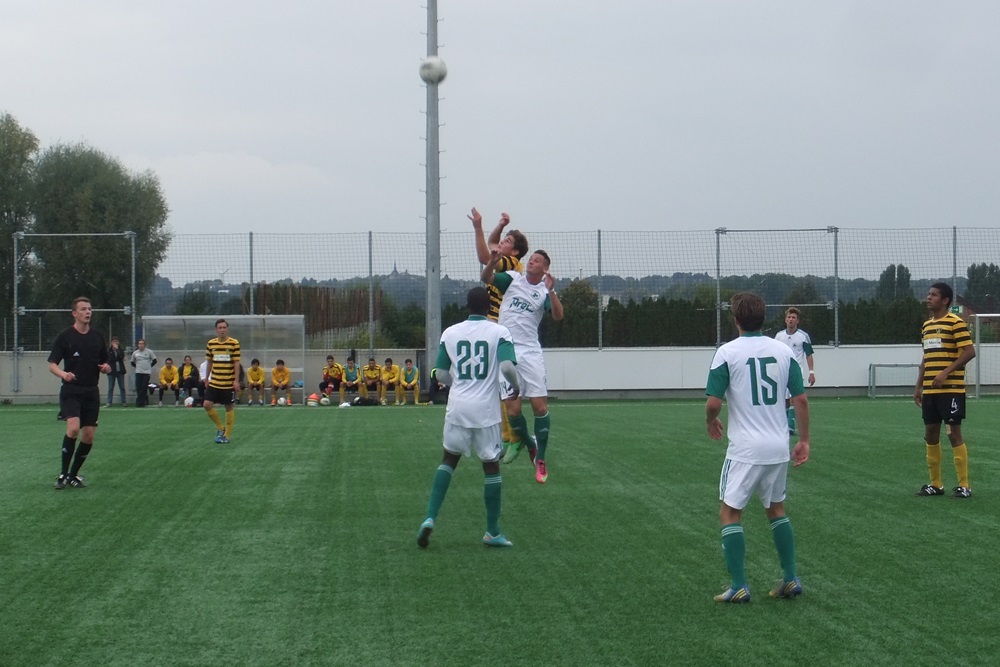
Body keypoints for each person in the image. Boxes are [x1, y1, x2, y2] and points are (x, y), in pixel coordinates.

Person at [705, 292, 810, 603]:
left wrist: (710, 420)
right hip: (778, 446)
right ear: (764, 319)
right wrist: (804, 440)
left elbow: (713, 403)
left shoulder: (727, 352)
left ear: (736, 319)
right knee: (776, 509)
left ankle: (738, 585)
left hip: (745, 450)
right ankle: (790, 579)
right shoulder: (783, 351)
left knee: (730, 512)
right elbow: (801, 400)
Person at [416, 287, 521, 549]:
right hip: (486, 411)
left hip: (458, 407)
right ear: (489, 308)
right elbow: (507, 366)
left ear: (466, 307)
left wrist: (460, 384)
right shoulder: (499, 332)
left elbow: (440, 373)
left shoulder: (450, 332)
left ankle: (429, 517)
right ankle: (492, 532)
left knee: (448, 460)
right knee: (491, 466)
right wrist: (516, 386)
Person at [481, 247, 564, 483]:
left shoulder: (544, 291)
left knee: (539, 407)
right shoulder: (512, 279)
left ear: (545, 268)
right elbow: (486, 278)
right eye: (531, 259)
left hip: (530, 352)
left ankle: (541, 459)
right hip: (507, 349)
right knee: (513, 411)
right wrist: (492, 261)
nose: (531, 262)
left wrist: (552, 290)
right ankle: (529, 443)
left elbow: (558, 316)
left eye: (537, 260)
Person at [470, 207, 529, 447]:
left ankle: (513, 436)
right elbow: (492, 243)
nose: (501, 242)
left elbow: (486, 257)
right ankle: (506, 435)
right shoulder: (506, 259)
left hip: (498, 324)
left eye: (507, 241)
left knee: (502, 384)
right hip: (494, 324)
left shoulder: (510, 263)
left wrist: (477, 227)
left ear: (515, 252)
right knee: (497, 383)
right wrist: (501, 226)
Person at [913, 282, 976, 499]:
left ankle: (964, 485)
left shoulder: (955, 323)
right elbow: (926, 358)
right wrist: (918, 387)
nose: (928, 298)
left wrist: (945, 372)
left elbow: (969, 351)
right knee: (930, 433)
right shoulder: (926, 326)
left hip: (951, 390)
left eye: (933, 295)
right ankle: (936, 484)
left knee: (953, 433)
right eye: (928, 294)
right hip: (931, 392)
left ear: (945, 300)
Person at [47, 297, 111, 489]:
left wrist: (106, 367)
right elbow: (52, 365)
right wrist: (63, 374)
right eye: (83, 309)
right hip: (71, 391)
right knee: (74, 428)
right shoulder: (65, 336)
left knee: (88, 436)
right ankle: (62, 475)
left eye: (89, 309)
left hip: (91, 392)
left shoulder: (97, 336)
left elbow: (105, 362)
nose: (87, 312)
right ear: (74, 313)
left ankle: (73, 475)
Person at [774, 307, 815, 435]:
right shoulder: (779, 336)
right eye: (789, 317)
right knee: (784, 399)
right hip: (782, 371)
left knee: (793, 398)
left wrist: (811, 372)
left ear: (797, 321)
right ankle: (785, 425)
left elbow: (808, 354)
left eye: (793, 318)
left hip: (796, 371)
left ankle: (790, 426)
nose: (791, 319)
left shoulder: (803, 336)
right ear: (785, 320)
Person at [203, 318, 241, 443]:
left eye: (224, 327)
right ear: (216, 330)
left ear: (227, 329)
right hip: (215, 382)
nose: (222, 330)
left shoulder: (234, 343)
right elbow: (209, 362)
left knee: (229, 407)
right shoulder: (211, 344)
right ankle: (220, 428)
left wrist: (236, 380)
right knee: (207, 404)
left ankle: (227, 436)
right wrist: (207, 378)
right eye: (220, 328)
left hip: (228, 382)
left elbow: (236, 363)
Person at [129, 338, 156, 407]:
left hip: (147, 372)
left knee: (144, 387)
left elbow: (154, 360)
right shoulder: (135, 353)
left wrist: (149, 366)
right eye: (140, 344)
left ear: (145, 345)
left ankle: (139, 402)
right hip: (138, 372)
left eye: (142, 344)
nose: (141, 345)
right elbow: (132, 362)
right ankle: (143, 400)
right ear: (138, 345)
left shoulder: (149, 352)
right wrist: (137, 367)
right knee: (139, 387)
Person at [105, 336, 127, 406]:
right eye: (114, 341)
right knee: (111, 387)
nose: (115, 343)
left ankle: (123, 401)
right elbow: (110, 359)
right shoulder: (109, 351)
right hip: (111, 371)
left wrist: (117, 350)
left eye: (116, 341)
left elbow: (121, 356)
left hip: (120, 371)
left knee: (122, 387)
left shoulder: (120, 350)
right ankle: (109, 402)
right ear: (111, 343)